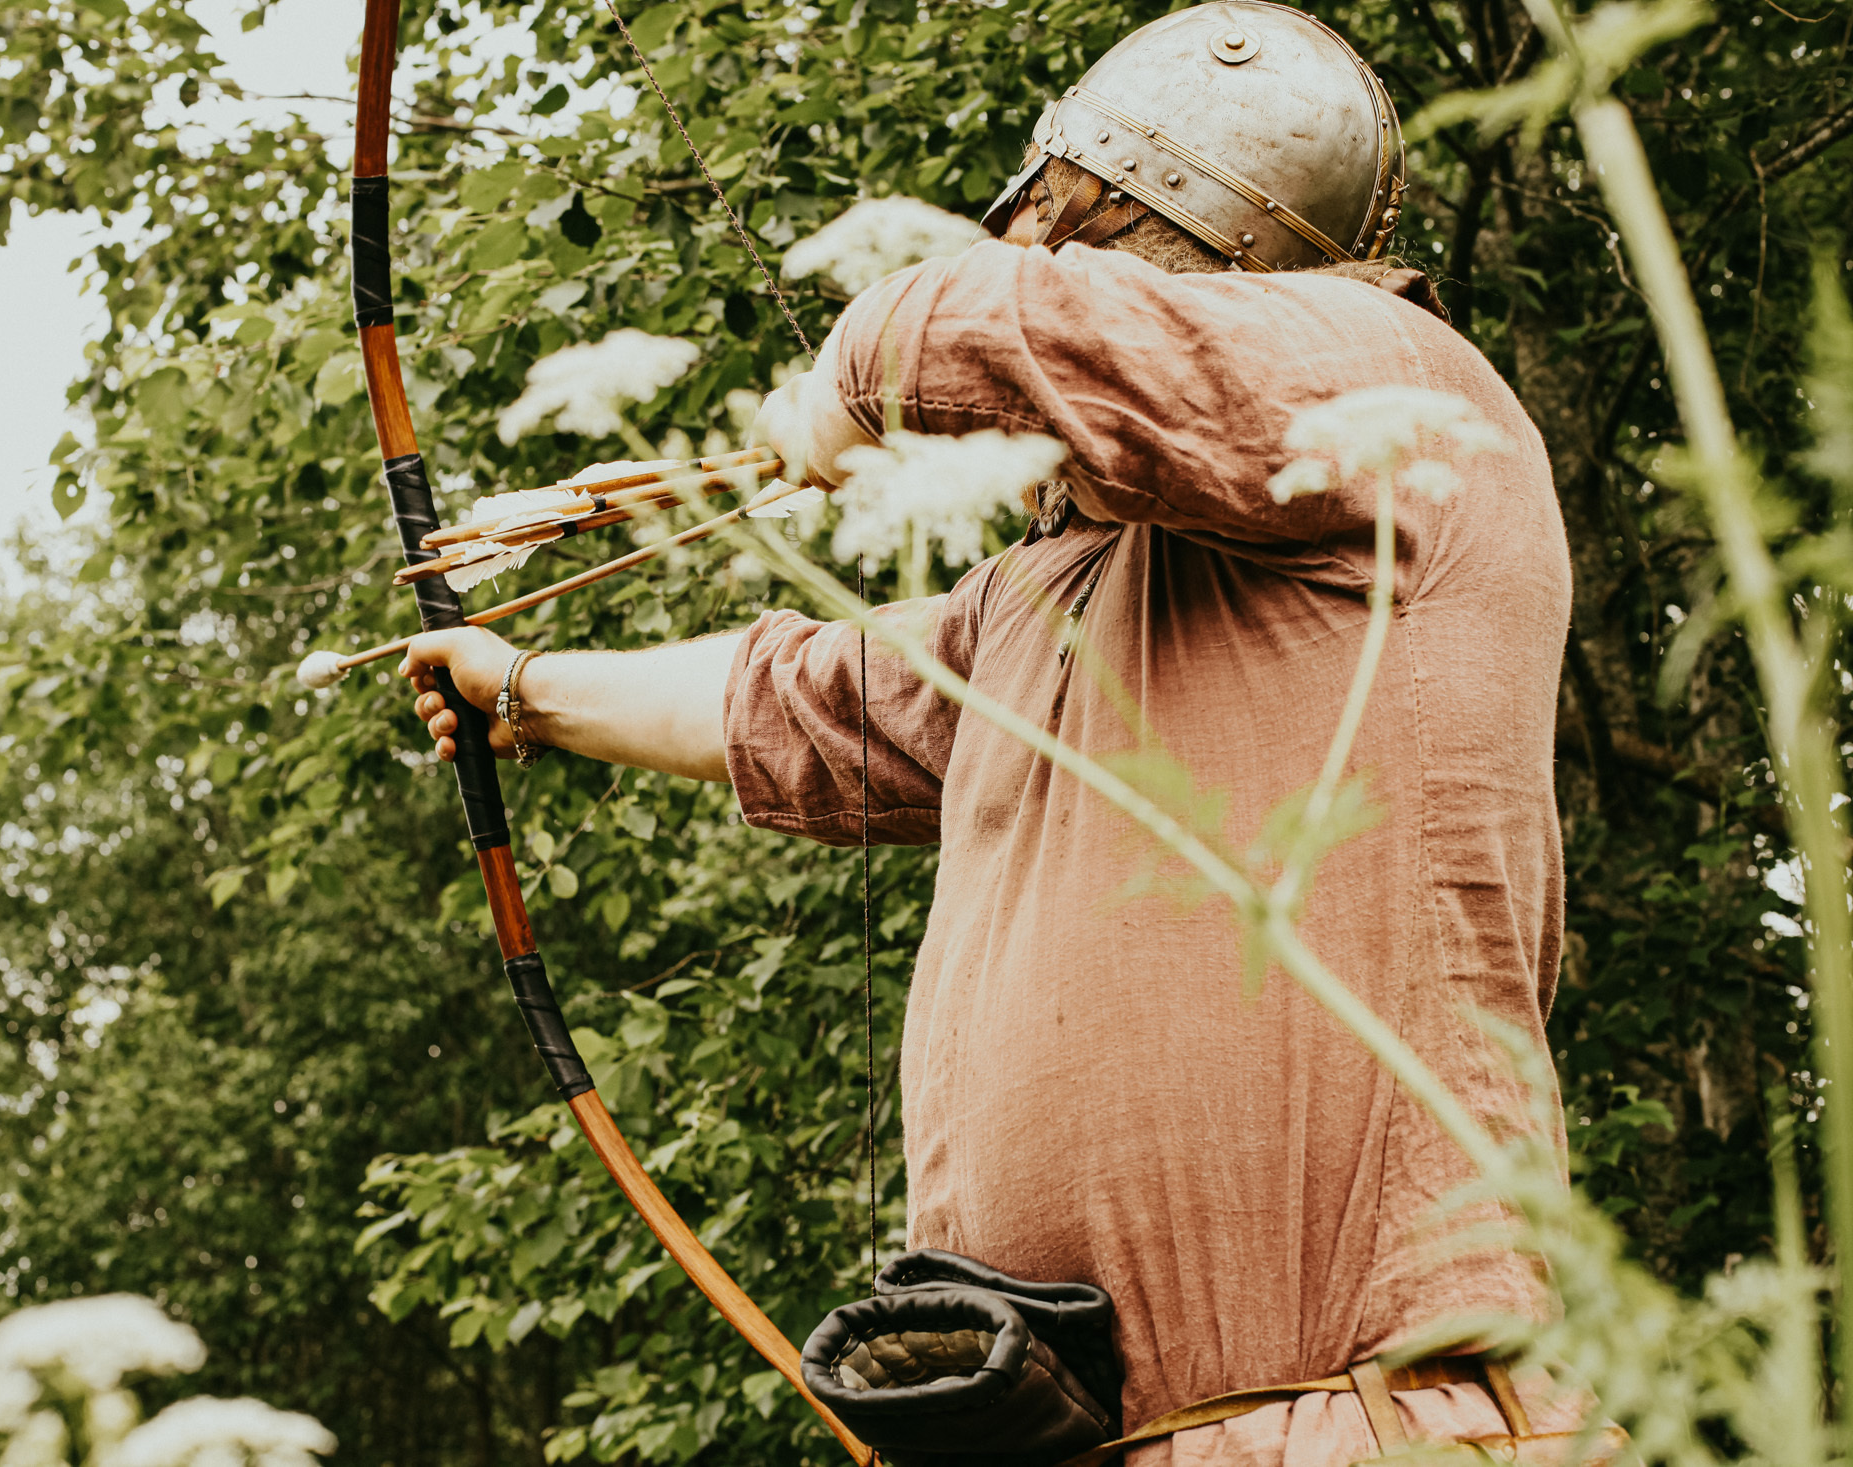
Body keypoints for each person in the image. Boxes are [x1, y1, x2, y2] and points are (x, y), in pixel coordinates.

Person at [400, 4, 1589, 1464]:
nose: (1027, 245)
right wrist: (520, 688)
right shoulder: (1066, 590)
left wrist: (846, 389)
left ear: (1114, 214)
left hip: (1362, 1426)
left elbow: (982, 329)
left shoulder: (1398, 392)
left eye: (1056, 222)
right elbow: (815, 700)